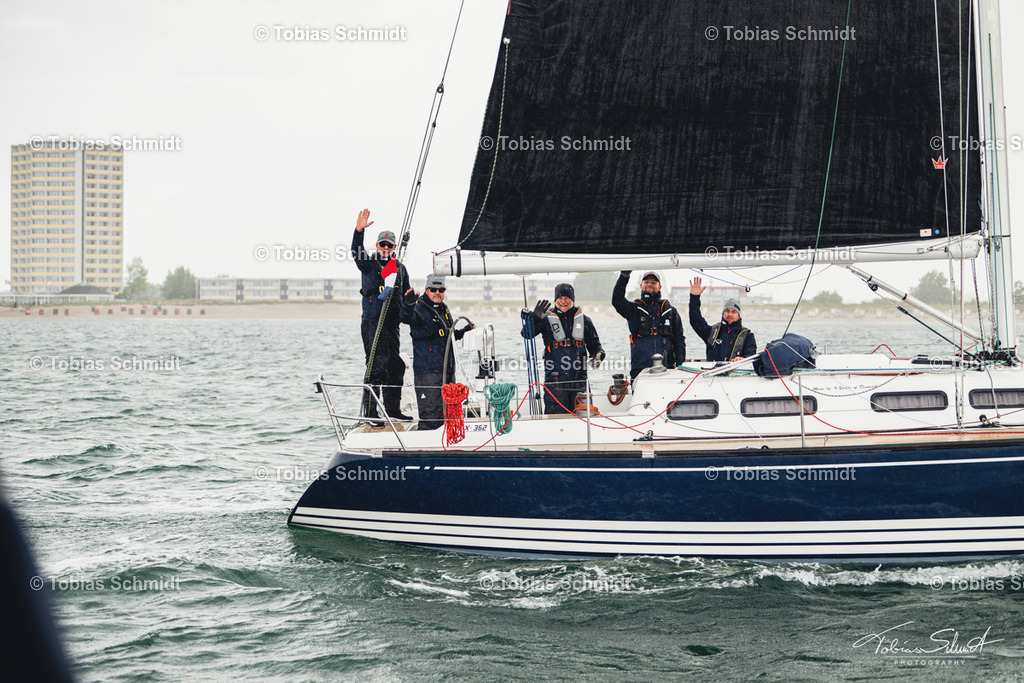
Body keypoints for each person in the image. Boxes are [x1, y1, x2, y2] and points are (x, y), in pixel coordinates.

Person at [351, 208, 412, 422]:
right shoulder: (368, 265)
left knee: (395, 365)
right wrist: (359, 231)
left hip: (391, 324)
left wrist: (411, 306)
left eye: (390, 245)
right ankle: (370, 413)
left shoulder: (400, 269)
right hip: (372, 322)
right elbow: (356, 251)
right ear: (377, 246)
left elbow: (405, 297)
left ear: (394, 247)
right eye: (382, 244)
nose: (385, 247)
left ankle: (393, 410)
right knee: (376, 364)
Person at [401, 275, 474, 430]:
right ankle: (423, 449)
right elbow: (405, 318)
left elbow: (448, 335)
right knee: (431, 417)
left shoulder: (444, 309)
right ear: (427, 290)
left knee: (449, 414)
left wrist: (464, 331)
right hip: (427, 373)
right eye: (433, 290)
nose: (437, 293)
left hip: (447, 371)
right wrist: (408, 304)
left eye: (440, 290)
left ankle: (449, 446)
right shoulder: (418, 307)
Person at [523, 283, 605, 414]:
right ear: (555, 300)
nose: (563, 301)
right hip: (555, 380)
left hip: (580, 379)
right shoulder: (545, 319)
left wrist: (599, 354)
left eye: (567, 298)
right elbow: (526, 334)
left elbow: (595, 344)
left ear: (572, 300)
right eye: (560, 298)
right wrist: (534, 318)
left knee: (583, 416)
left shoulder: (585, 320)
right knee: (555, 417)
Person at [612, 270, 685, 380]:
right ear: (641, 286)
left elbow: (679, 340)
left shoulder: (671, 311)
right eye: (646, 282)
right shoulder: (633, 309)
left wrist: (680, 365)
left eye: (653, 282)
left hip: (667, 369)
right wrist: (624, 276)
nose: (649, 285)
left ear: (659, 287)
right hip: (640, 369)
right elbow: (617, 301)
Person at [688, 276, 757, 362]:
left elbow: (751, 356)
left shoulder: (748, 336)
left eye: (734, 312)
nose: (730, 314)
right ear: (723, 313)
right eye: (727, 311)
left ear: (739, 315)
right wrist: (694, 297)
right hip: (712, 373)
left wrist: (743, 359)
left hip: (736, 373)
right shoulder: (712, 332)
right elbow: (695, 320)